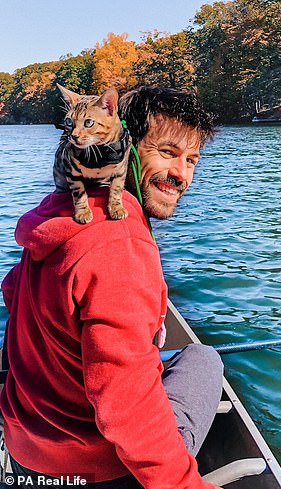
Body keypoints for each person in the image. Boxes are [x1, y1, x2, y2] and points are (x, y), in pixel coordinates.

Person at [1, 86, 223, 489]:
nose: (183, 175)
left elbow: (13, 291)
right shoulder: (122, 246)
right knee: (204, 359)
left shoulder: (57, 216)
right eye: (168, 152)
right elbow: (126, 407)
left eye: (192, 160)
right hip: (97, 466)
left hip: (24, 450)